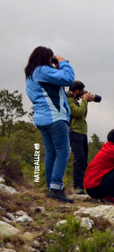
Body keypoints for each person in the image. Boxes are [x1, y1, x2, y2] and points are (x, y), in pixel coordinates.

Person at [24, 46, 75, 203]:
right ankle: (56, 188)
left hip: (42, 119)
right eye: (50, 57)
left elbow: (53, 87)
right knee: (63, 152)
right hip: (54, 118)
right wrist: (63, 63)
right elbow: (69, 79)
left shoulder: (31, 74)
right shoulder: (43, 71)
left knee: (52, 153)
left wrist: (57, 68)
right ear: (45, 58)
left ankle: (51, 187)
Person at [66, 81, 96, 195]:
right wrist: (84, 100)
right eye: (82, 92)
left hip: (82, 132)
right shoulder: (68, 100)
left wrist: (86, 101)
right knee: (79, 159)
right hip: (74, 132)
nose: (82, 94)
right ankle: (77, 186)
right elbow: (78, 113)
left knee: (83, 160)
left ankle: (82, 186)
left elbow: (83, 114)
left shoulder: (75, 101)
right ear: (77, 90)